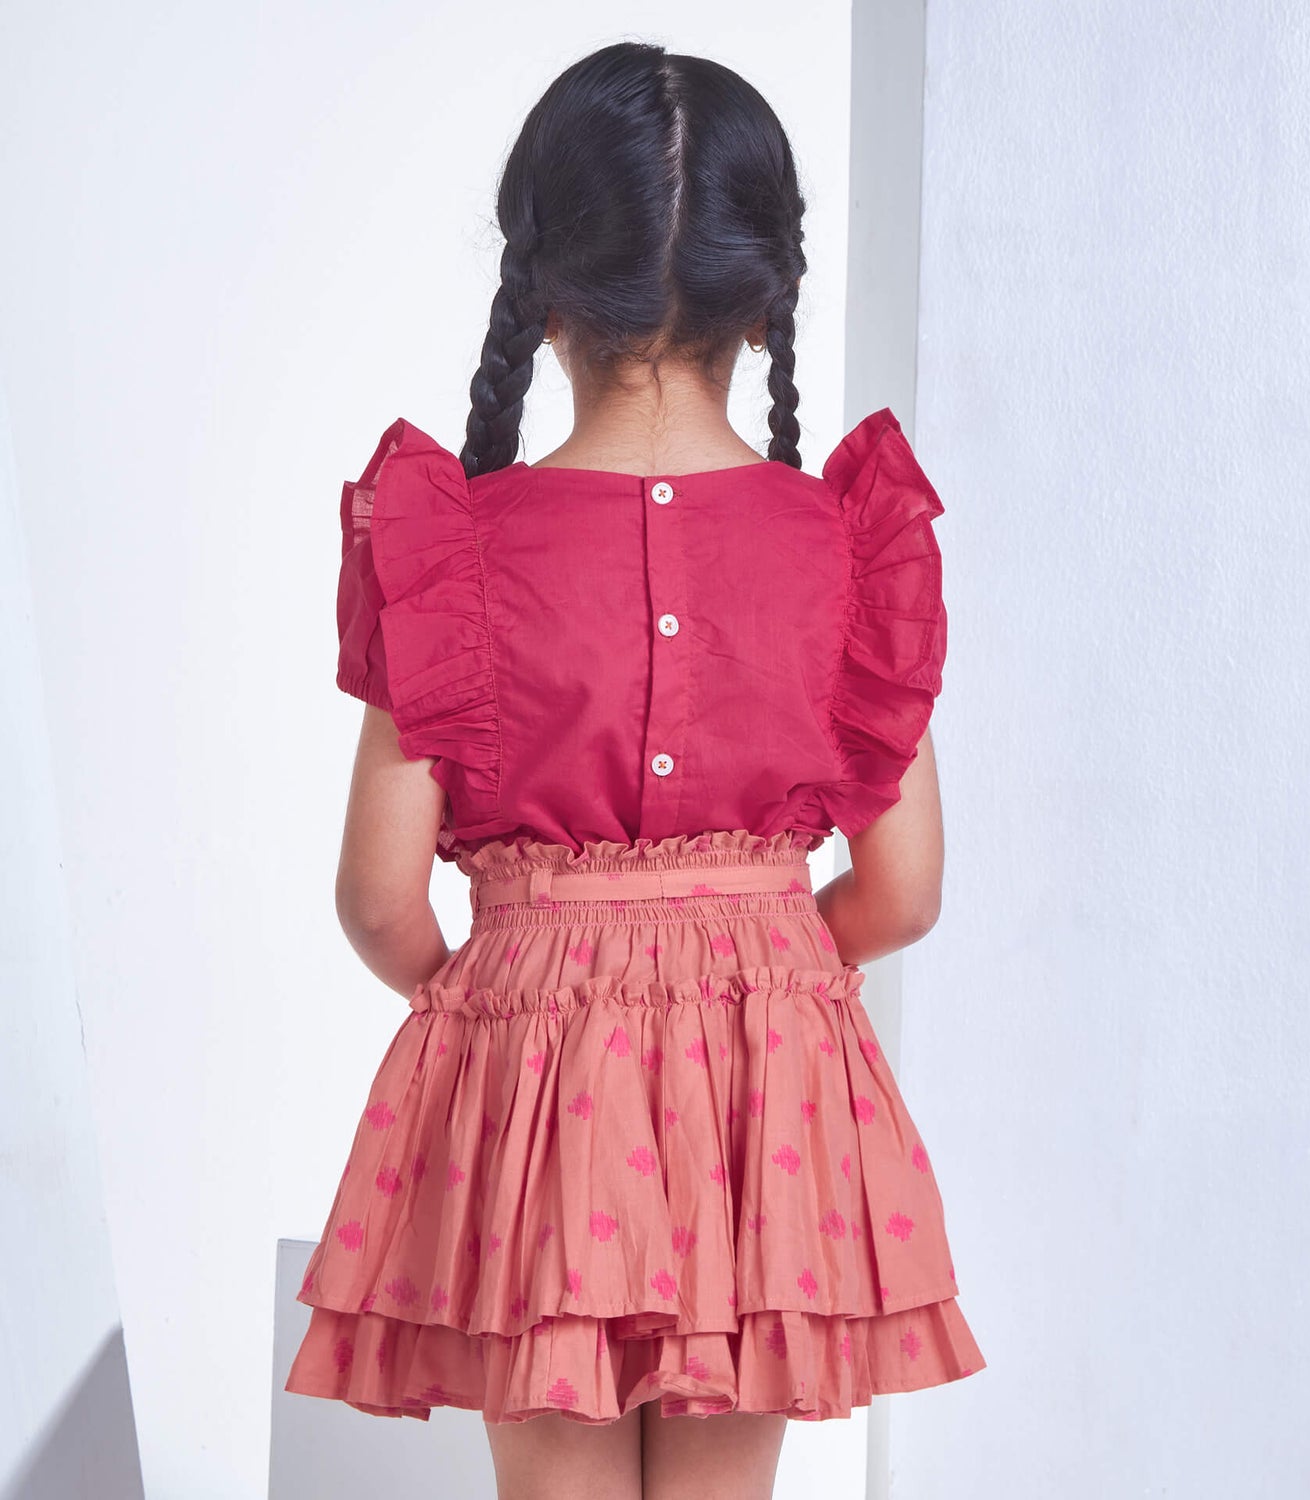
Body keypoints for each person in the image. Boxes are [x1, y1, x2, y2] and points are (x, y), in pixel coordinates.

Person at [283, 37, 984, 1500]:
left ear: (540, 292)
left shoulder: (451, 549)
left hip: (537, 1071)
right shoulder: (849, 543)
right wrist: (769, 952)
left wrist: (491, 988)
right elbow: (905, 892)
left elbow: (373, 892)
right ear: (765, 294)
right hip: (766, 1073)